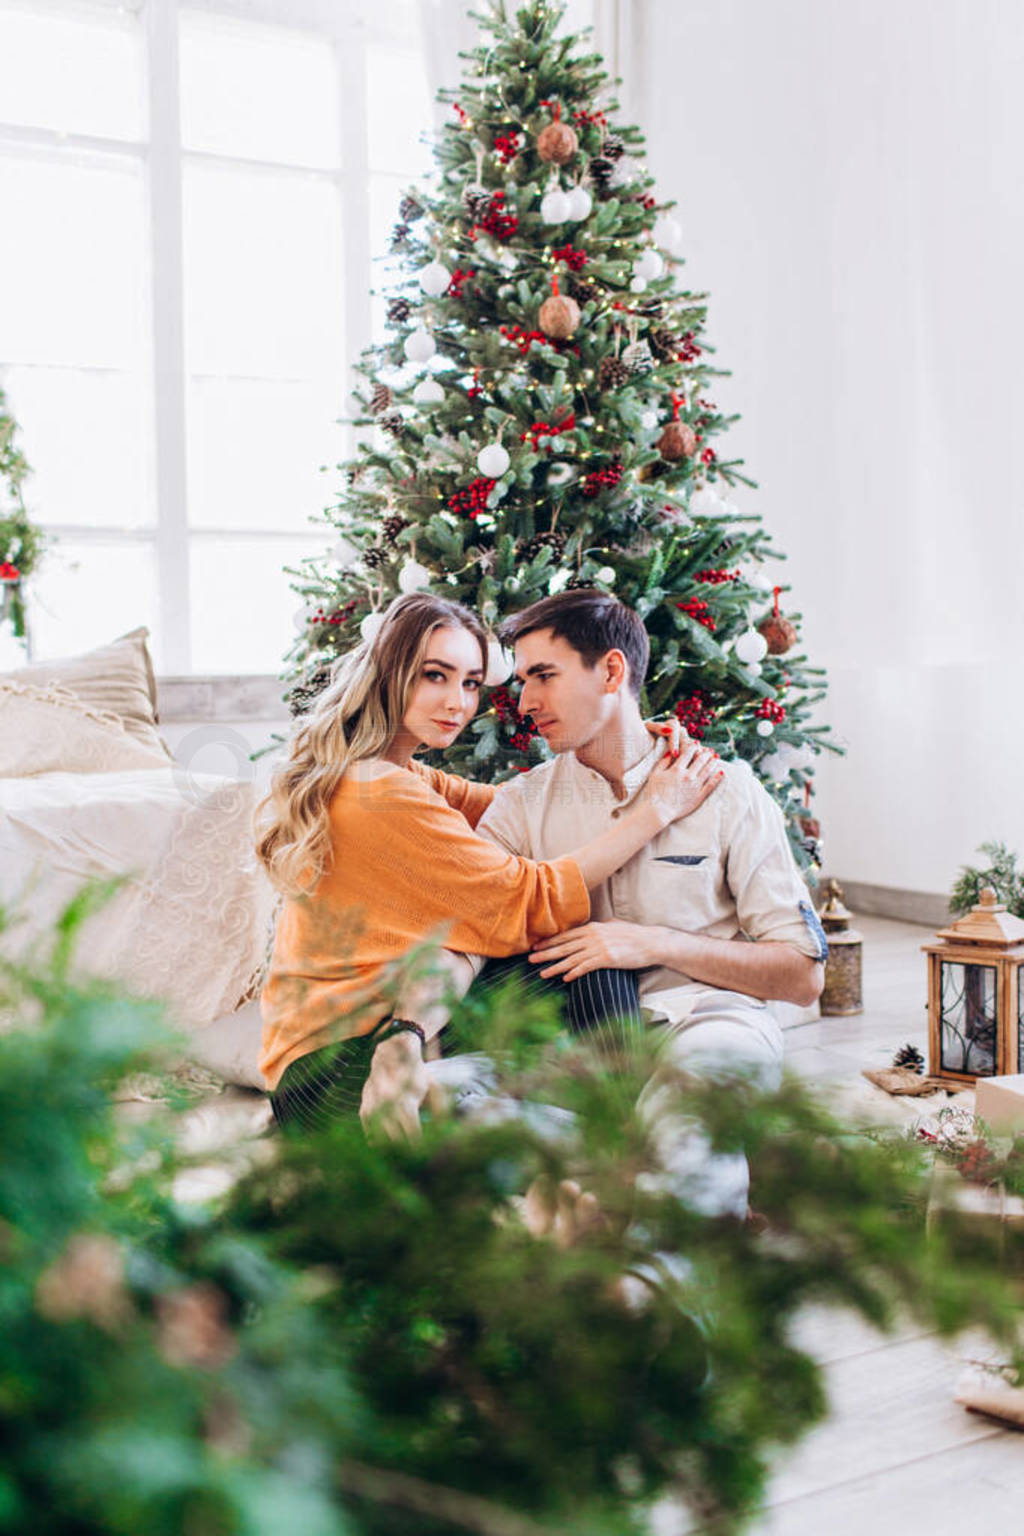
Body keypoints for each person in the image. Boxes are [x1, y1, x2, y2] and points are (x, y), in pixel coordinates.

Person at [254, 591, 723, 1131]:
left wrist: (632, 755)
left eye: (472, 682)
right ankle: (621, 1142)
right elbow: (530, 897)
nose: (457, 701)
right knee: (593, 956)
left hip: (346, 1050)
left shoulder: (394, 773)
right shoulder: (380, 793)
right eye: (435, 675)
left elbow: (511, 802)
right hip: (336, 1077)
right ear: (389, 673)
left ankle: (602, 1132)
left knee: (584, 961)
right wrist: (657, 808)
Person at [469, 589, 827, 1216]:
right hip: (575, 1045)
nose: (524, 702)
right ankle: (633, 1177)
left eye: (543, 676)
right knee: (434, 1096)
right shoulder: (519, 807)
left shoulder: (726, 791)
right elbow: (470, 927)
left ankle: (653, 1266)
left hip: (707, 1026)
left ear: (611, 671)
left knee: (687, 1120)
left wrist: (653, 944)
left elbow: (803, 975)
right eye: (522, 680)